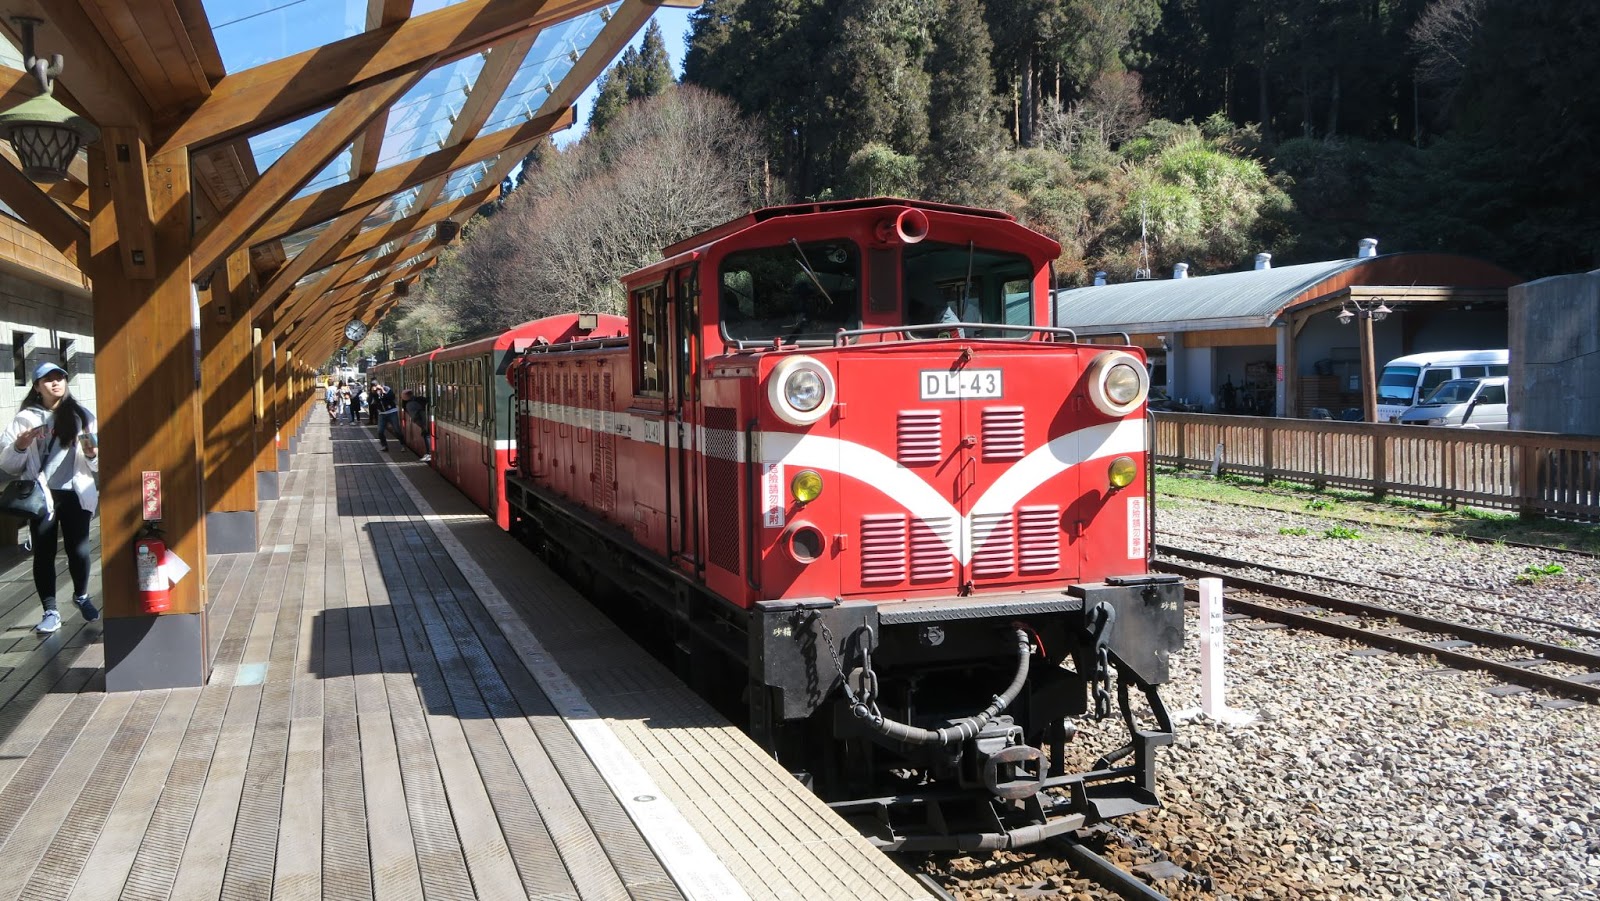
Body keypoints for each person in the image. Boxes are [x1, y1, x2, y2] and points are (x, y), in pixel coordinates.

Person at [0, 362, 100, 634]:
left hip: (76, 492)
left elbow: (97, 462)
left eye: (60, 378)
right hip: (41, 496)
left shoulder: (81, 415)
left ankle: (81, 595)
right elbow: (8, 465)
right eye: (48, 380)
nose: (55, 383)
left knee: (78, 550)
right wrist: (20, 446)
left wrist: (92, 454)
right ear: (36, 387)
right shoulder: (25, 418)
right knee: (43, 552)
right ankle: (50, 610)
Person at [403, 387, 431, 462]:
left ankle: (429, 453)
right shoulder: (418, 399)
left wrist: (422, 426)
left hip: (424, 421)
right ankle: (429, 453)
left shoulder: (410, 404)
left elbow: (415, 417)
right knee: (427, 435)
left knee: (426, 435)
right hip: (428, 419)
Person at [371, 383, 402, 450]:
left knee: (397, 430)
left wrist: (382, 390)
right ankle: (384, 446)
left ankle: (402, 444)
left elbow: (391, 397)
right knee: (380, 431)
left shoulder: (387, 389)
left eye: (376, 386)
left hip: (392, 412)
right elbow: (375, 400)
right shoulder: (375, 393)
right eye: (374, 386)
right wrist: (374, 392)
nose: (376, 388)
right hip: (382, 413)